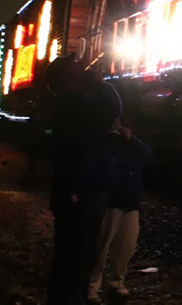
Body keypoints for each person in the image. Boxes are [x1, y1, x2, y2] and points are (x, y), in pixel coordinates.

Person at [44, 55, 122, 305]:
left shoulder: (69, 104)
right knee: (77, 255)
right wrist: (101, 83)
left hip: (79, 189)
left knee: (75, 254)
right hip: (81, 192)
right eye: (75, 65)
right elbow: (112, 109)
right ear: (68, 78)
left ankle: (67, 298)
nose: (83, 65)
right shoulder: (73, 104)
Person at [88, 120, 152, 302]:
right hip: (112, 202)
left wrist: (131, 139)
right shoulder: (104, 144)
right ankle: (92, 285)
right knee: (102, 246)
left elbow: (148, 154)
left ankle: (116, 282)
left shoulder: (132, 144)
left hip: (130, 202)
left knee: (125, 247)